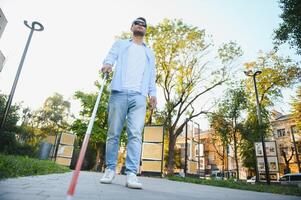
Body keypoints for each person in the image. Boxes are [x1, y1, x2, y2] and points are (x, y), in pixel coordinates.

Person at [100, 17, 157, 189]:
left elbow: (151, 75)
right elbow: (110, 56)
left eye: (143, 25)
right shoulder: (121, 44)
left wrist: (152, 93)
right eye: (137, 23)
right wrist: (107, 65)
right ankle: (110, 169)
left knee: (135, 135)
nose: (140, 26)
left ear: (145, 30)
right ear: (131, 27)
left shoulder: (149, 53)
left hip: (139, 97)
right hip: (119, 93)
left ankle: (131, 174)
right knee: (113, 133)